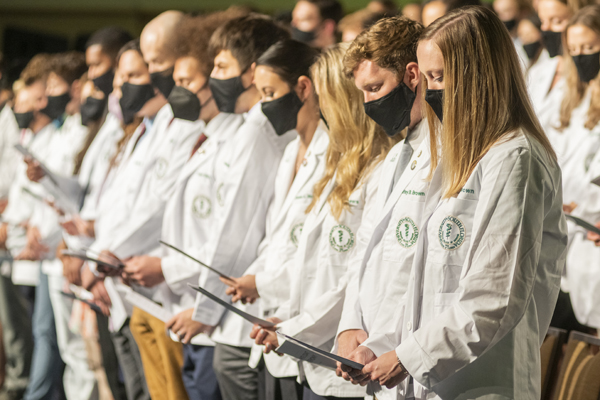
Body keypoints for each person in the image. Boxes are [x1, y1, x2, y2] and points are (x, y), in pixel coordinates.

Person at [352, 7, 567, 399]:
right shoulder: (459, 153)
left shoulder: (515, 157)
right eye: (427, 78)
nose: (430, 91)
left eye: (439, 77)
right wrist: (380, 345)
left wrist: (409, 357)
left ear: (477, 75)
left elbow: (494, 296)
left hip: (480, 383)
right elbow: (419, 281)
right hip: (426, 380)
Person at [251, 43, 399, 400]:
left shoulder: (381, 167)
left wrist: (297, 328)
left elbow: (354, 277)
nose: (317, 109)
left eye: (323, 99)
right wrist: (288, 319)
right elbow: (313, 266)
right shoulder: (339, 164)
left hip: (346, 360)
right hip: (313, 353)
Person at [164, 14, 291, 400]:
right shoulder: (247, 126)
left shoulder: (257, 130)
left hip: (243, 316)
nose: (214, 77)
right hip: (234, 309)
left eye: (221, 67)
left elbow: (235, 232)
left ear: (250, 72)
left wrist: (205, 311)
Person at [330, 16, 429, 400]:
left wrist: (388, 345)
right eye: (363, 93)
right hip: (374, 356)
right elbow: (365, 255)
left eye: (375, 88)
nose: (369, 104)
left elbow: (422, 273)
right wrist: (350, 326)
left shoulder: (448, 156)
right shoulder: (395, 157)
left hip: (408, 357)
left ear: (412, 75)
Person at [220, 38, 321, 400]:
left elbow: (322, 258)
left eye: (270, 93)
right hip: (273, 328)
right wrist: (252, 278)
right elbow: (277, 238)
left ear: (303, 88)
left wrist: (262, 283)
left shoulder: (333, 155)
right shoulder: (291, 150)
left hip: (309, 332)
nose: (264, 105)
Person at [556, 5, 600, 334]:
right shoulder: (577, 96)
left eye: (589, 47)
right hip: (572, 228)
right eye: (574, 49)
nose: (581, 56)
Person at [493, 0, 531, 67]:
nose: (501, 17)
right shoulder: (498, 42)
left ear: (522, 11)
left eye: (506, 11)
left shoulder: (531, 37)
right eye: (498, 13)